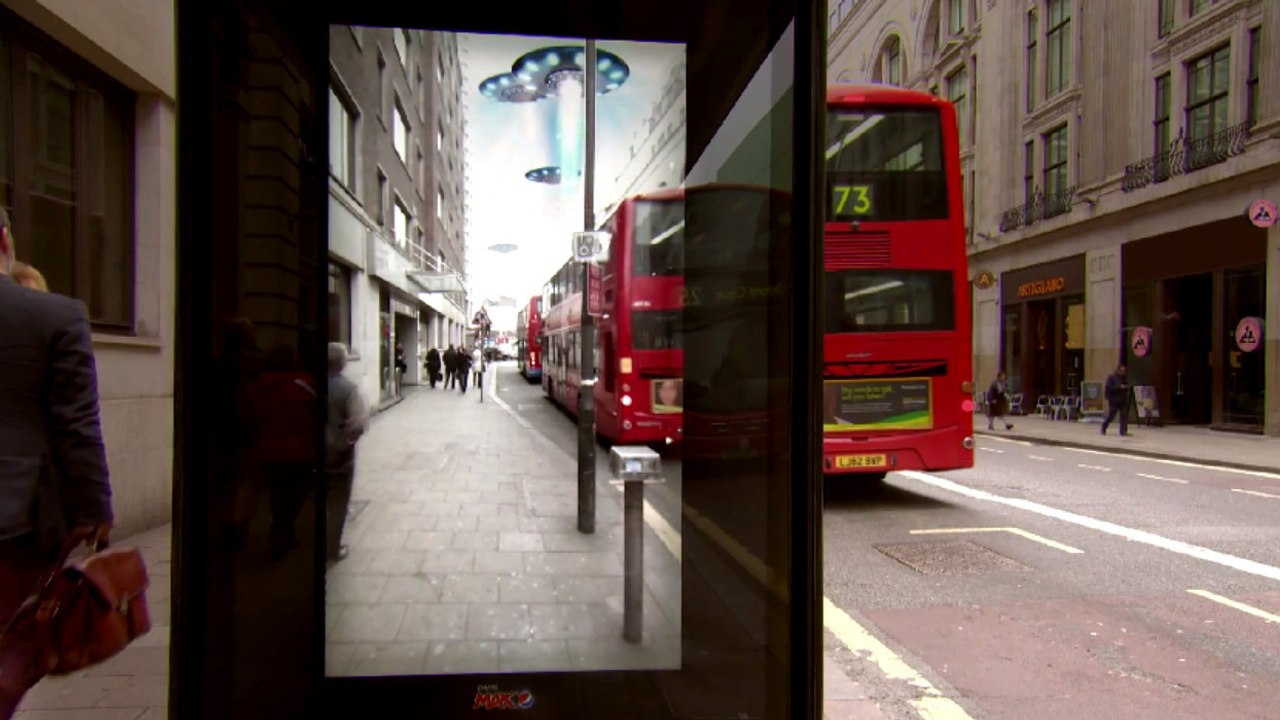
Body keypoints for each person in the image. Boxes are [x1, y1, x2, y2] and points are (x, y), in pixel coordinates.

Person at [0, 207, 113, 718]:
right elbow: (76, 423)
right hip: (15, 519)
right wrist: (95, 509)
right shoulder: (53, 315)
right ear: (6, 240)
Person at [325, 343, 367, 566]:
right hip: (339, 456)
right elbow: (358, 423)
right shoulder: (348, 389)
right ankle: (332, 548)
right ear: (342, 363)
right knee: (338, 502)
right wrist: (347, 443)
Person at [1101, 363, 1130, 436]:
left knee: (1123, 415)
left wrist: (1126, 387)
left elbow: (1126, 385)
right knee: (1111, 416)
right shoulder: (1112, 377)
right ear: (1118, 370)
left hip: (1123, 399)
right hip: (1114, 400)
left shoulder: (1124, 378)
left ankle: (1123, 431)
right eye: (1121, 371)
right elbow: (1109, 387)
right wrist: (1119, 387)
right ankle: (1104, 426)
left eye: (1124, 371)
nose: (1123, 372)